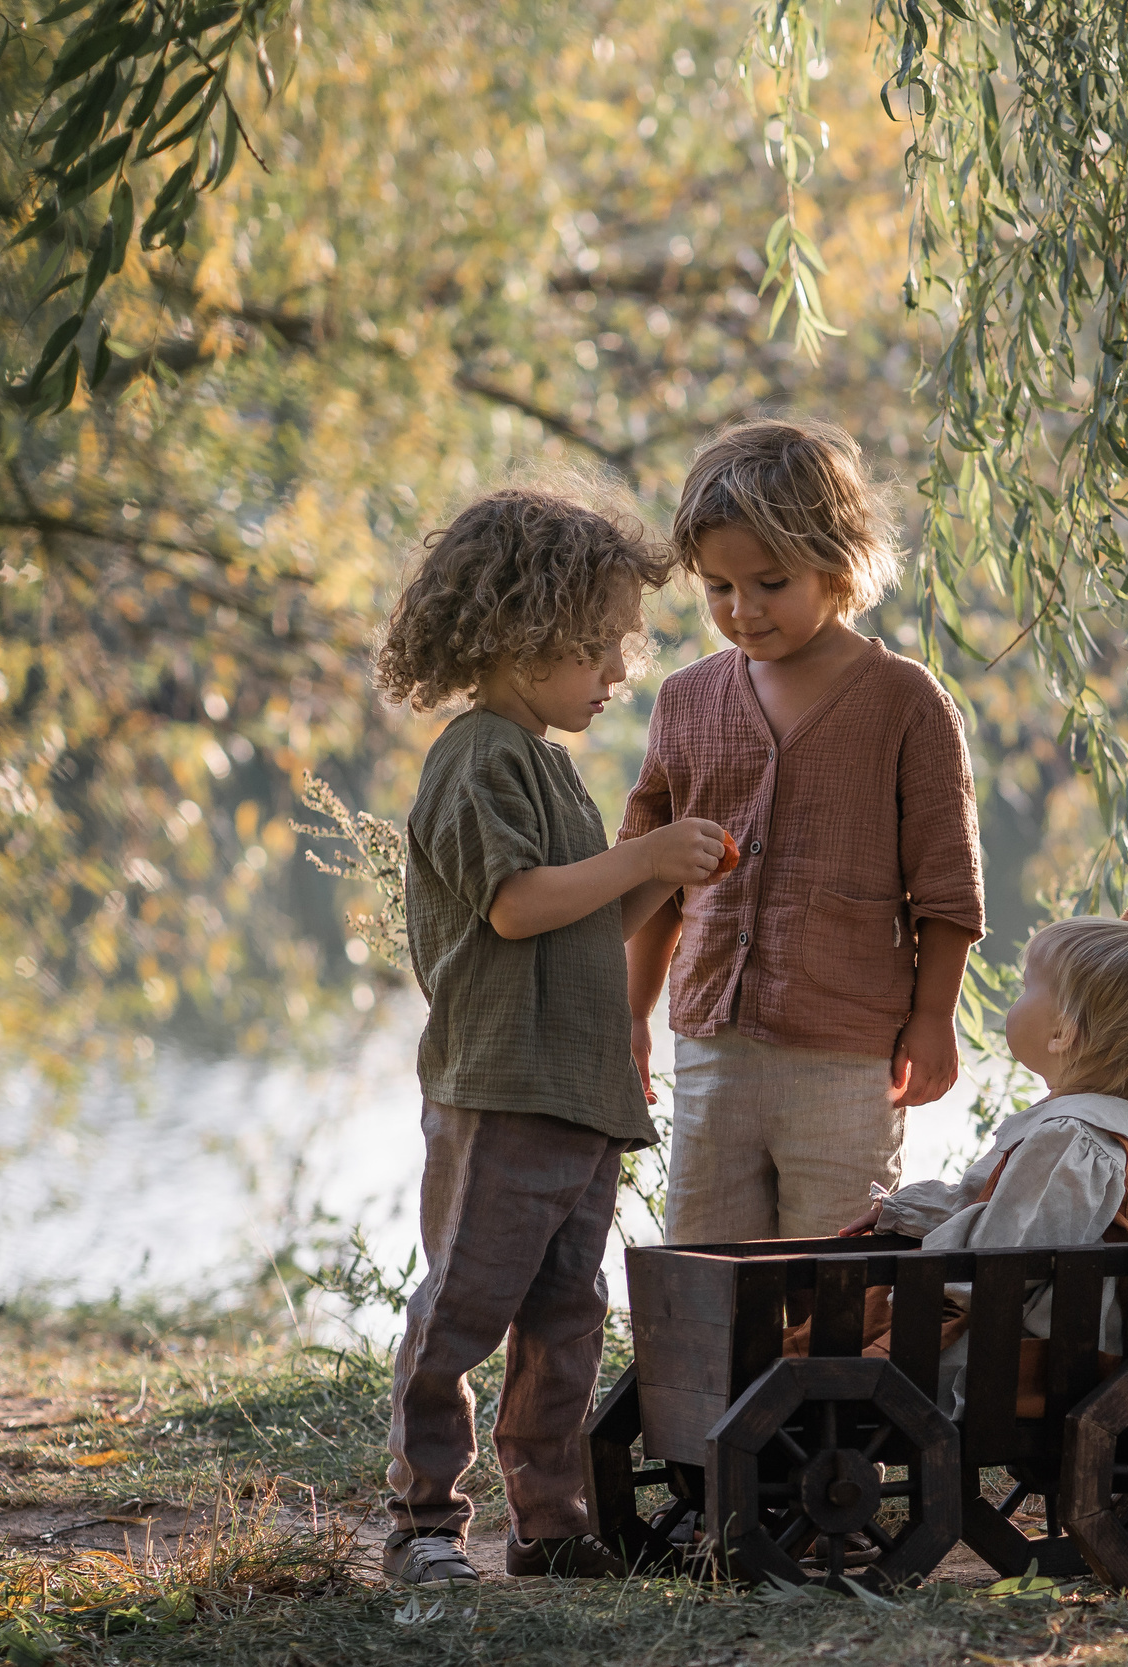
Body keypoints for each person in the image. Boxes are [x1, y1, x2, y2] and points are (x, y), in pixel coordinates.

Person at [373, 483, 729, 1586]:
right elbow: (517, 906)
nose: (618, 673)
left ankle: (549, 1520)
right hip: (503, 1090)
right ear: (524, 641)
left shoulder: (545, 762)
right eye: (599, 648)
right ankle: (425, 1522)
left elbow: (580, 923)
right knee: (466, 1307)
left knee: (567, 1318)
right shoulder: (477, 756)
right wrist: (641, 858)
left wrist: (664, 879)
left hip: (575, 1098)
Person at [622, 418, 985, 1243]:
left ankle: (829, 1378)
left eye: (771, 583)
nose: (741, 610)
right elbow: (651, 884)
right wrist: (632, 1016)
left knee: (835, 1259)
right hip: (714, 1044)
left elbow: (947, 885)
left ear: (839, 560)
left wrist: (934, 1016)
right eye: (718, 587)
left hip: (848, 1053)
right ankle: (713, 1380)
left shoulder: (907, 703)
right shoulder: (685, 701)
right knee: (707, 1255)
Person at [836, 916, 1128, 1414]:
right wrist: (901, 1212)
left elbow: (1002, 1261)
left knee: (845, 1339)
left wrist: (916, 1283)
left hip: (1021, 1358)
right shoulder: (1115, 1133)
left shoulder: (1069, 1142)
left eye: (1028, 987)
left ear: (1062, 1033)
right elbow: (995, 1214)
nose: (1018, 996)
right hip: (1057, 1344)